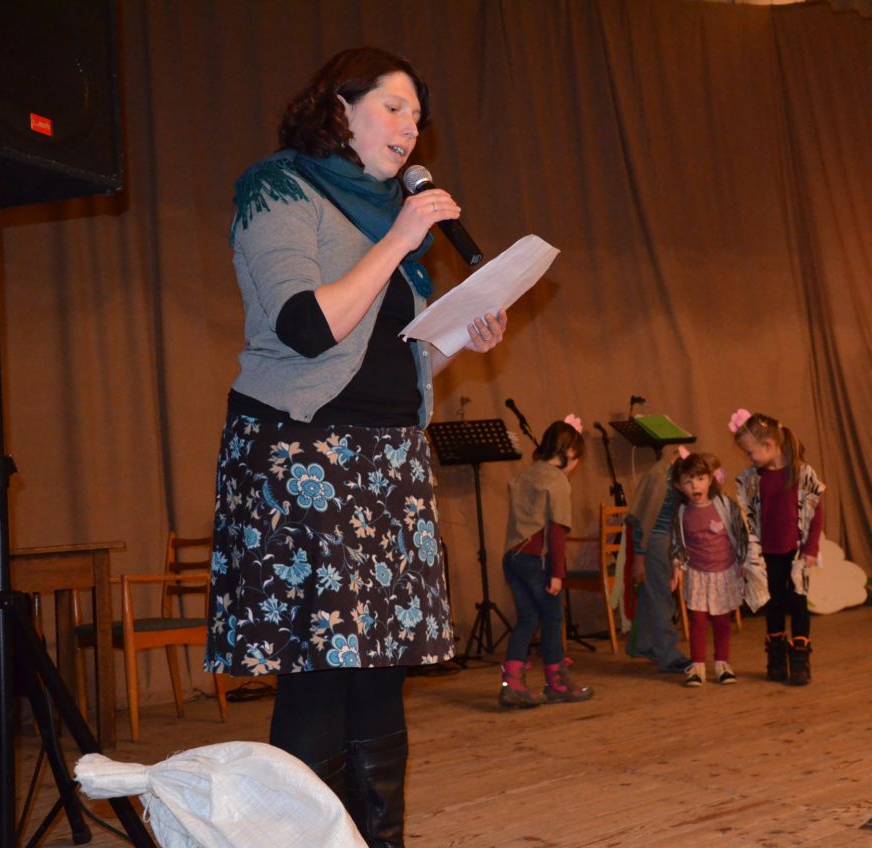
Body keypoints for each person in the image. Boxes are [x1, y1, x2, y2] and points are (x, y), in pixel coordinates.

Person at [204, 47, 506, 847]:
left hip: (388, 462)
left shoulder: (391, 219)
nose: (410, 128)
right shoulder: (278, 187)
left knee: (380, 674)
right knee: (321, 672)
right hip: (303, 458)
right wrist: (400, 238)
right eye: (393, 107)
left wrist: (460, 336)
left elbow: (390, 353)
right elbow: (307, 328)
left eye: (418, 116)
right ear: (339, 107)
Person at [499, 416, 594, 706]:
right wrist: (557, 573)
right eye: (577, 459)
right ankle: (557, 684)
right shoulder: (557, 481)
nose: (575, 465)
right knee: (552, 619)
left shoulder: (525, 475)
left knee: (527, 619)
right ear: (570, 453)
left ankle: (512, 684)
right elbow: (556, 531)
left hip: (512, 558)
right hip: (536, 561)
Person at [730, 409, 825, 686]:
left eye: (751, 452)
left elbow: (816, 512)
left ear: (770, 445)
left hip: (795, 552)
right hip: (766, 553)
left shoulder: (801, 473)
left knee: (797, 602)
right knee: (773, 603)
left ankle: (800, 660)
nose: (750, 458)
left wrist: (811, 547)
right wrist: (747, 553)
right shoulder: (753, 479)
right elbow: (746, 516)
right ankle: (776, 658)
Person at [668, 452, 747, 687]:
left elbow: (741, 534)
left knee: (722, 620)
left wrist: (744, 563)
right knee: (698, 620)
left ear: (710, 479)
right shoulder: (681, 512)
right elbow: (677, 542)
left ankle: (722, 664)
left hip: (724, 572)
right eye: (688, 481)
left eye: (700, 479)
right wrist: (677, 568)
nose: (695, 486)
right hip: (697, 574)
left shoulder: (725, 505)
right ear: (679, 486)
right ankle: (698, 665)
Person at [624, 453, 693, 674]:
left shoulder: (668, 473)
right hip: (656, 541)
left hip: (663, 539)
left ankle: (643, 645)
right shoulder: (661, 478)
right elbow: (644, 520)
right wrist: (639, 557)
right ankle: (668, 655)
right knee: (661, 597)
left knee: (650, 595)